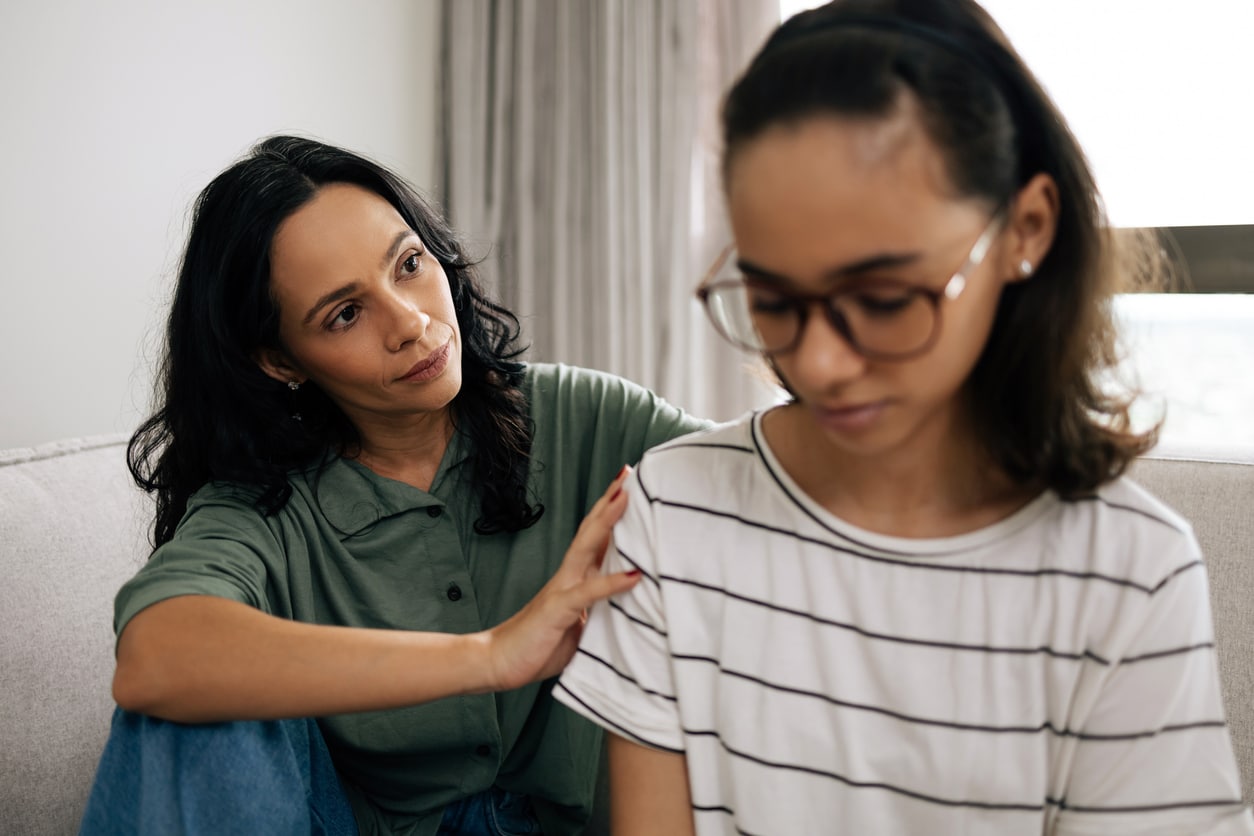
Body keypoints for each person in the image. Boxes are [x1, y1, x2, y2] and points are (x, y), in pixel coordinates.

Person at [554, 1, 1254, 833]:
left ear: (1025, 230)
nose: (817, 363)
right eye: (774, 299)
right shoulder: (672, 512)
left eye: (883, 298)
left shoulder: (1128, 574)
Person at [77, 135, 709, 836]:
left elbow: (772, 483)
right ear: (280, 360)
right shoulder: (261, 507)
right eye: (345, 313)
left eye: (409, 265)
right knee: (189, 711)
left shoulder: (585, 419)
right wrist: (493, 656)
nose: (411, 323)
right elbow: (154, 660)